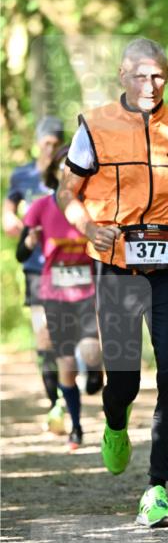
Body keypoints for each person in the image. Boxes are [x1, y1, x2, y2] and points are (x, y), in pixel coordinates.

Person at [57, 37, 168, 528]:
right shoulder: (95, 126)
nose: (150, 85)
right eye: (141, 75)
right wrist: (85, 226)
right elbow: (66, 190)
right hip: (117, 265)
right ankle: (115, 422)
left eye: (159, 75)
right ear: (122, 76)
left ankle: (157, 488)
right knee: (124, 380)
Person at [17, 145, 103, 449]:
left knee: (92, 352)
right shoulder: (40, 207)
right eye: (64, 167)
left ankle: (96, 371)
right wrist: (29, 240)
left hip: (88, 292)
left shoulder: (93, 207)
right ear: (54, 172)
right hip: (55, 294)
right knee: (66, 362)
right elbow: (20, 255)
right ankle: (76, 427)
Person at [3, 117, 66, 430]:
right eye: (47, 143)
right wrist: (9, 219)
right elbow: (9, 205)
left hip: (71, 265)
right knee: (45, 335)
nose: (51, 149)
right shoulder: (23, 175)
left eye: (57, 145)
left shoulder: (69, 174)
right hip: (37, 267)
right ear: (39, 142)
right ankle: (55, 402)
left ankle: (75, 385)